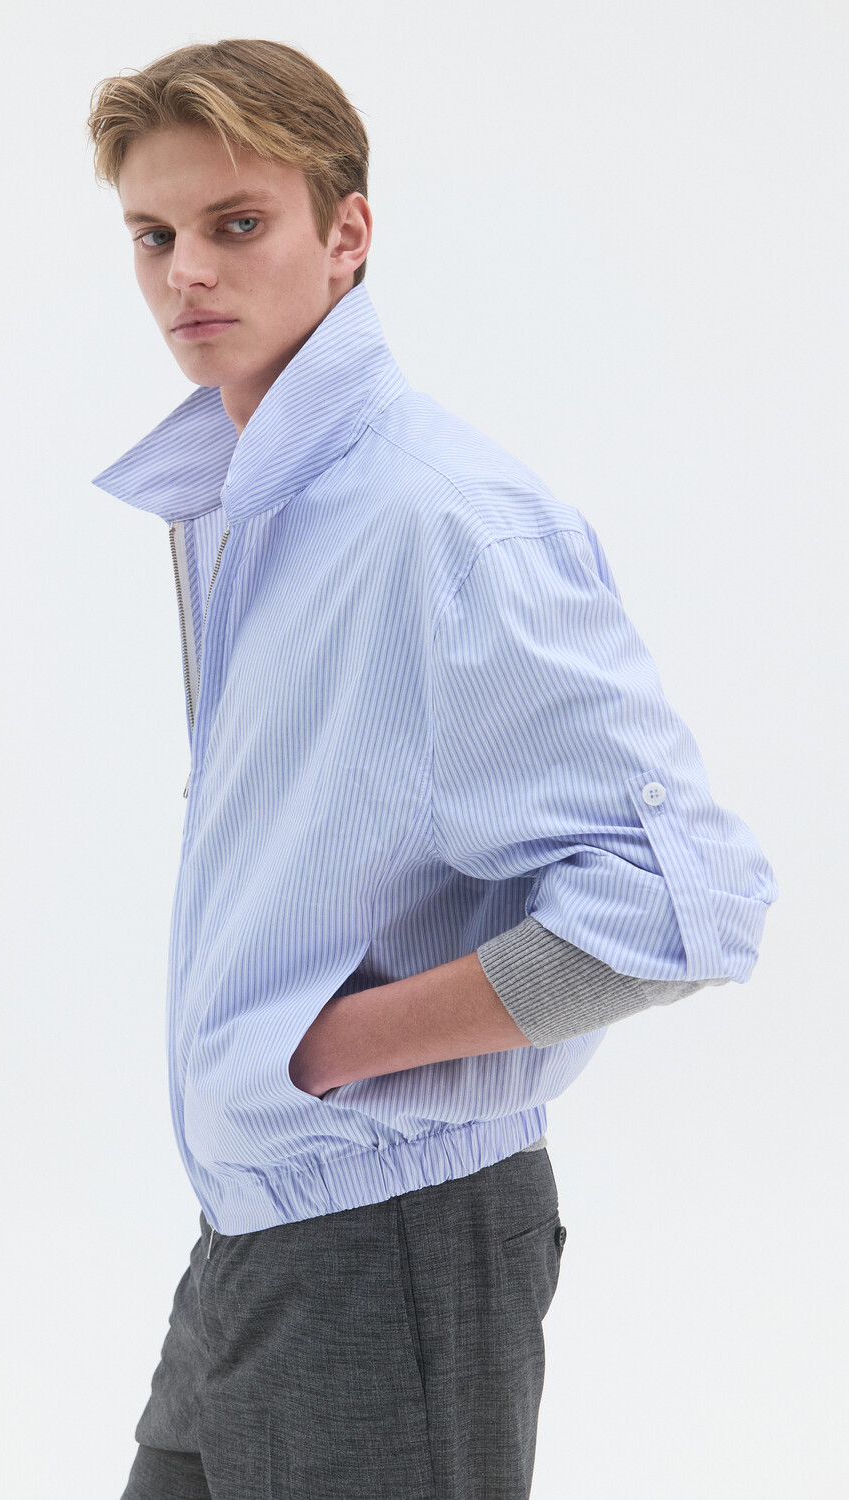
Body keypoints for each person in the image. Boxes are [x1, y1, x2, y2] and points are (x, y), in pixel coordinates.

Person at [86, 37, 778, 1500]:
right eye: (153, 235)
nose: (185, 273)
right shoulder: (254, 508)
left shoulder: (440, 521)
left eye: (235, 223)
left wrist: (330, 1046)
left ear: (347, 234)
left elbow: (686, 902)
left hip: (391, 1234)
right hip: (253, 1230)